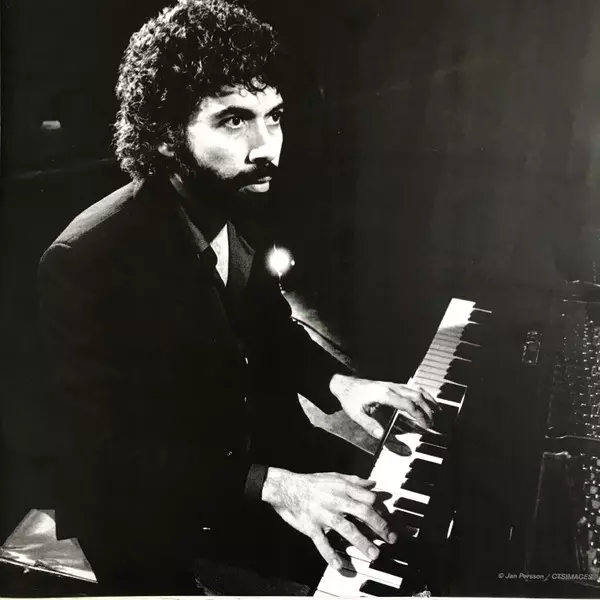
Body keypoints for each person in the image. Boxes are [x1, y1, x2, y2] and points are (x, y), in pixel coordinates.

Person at [38, 0, 438, 594]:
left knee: (421, 526)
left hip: (255, 453)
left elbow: (269, 327)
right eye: (233, 121)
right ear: (165, 136)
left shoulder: (240, 197)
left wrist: (341, 385)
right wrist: (278, 486)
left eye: (273, 117)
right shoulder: (86, 258)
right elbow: (104, 458)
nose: (266, 147)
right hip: (159, 512)